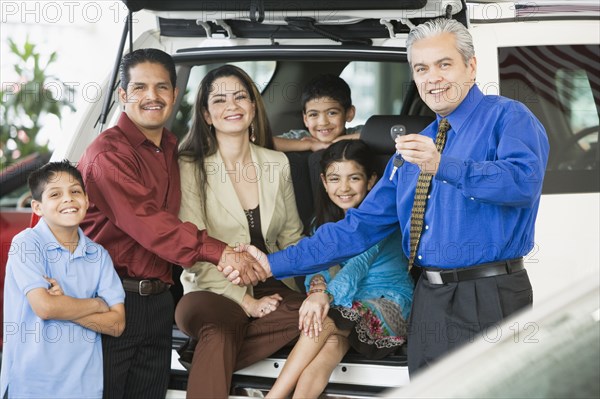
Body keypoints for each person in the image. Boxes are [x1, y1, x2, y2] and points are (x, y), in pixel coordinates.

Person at [225, 18, 550, 376]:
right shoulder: (413, 149)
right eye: (421, 68)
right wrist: (272, 264)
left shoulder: (508, 117)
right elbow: (358, 228)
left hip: (489, 293)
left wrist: (444, 166)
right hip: (429, 296)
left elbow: (522, 183)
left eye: (444, 64)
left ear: (471, 67)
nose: (433, 77)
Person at [76, 49, 265, 399]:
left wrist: (308, 143)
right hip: (110, 300)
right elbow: (151, 224)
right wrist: (222, 253)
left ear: (175, 95)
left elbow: (228, 147)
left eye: (162, 87)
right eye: (140, 88)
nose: (152, 97)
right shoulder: (108, 155)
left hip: (158, 301)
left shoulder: (169, 145)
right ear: (122, 95)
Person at [174, 64, 307, 398]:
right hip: (210, 289)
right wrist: (245, 302)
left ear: (252, 106)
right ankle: (216, 344)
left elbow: (292, 237)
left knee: (319, 315)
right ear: (206, 114)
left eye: (240, 97)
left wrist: (323, 282)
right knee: (218, 330)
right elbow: (194, 249)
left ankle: (200, 355)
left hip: (272, 284)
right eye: (219, 101)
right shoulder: (189, 166)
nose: (231, 106)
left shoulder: (276, 164)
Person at [266, 140, 414, 398]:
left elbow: (356, 265)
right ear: (324, 182)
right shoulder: (321, 223)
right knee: (330, 345)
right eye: (335, 178)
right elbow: (317, 267)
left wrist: (327, 297)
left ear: (371, 181)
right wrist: (317, 290)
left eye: (354, 178)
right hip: (347, 304)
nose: (343, 188)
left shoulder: (379, 221)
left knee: (324, 319)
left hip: (388, 303)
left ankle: (274, 396)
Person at [1, 160, 125, 399]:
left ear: (87, 201)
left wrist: (66, 304)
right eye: (55, 194)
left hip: (84, 388)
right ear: (37, 207)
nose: (68, 199)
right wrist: (97, 304)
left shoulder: (98, 255)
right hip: (30, 386)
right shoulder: (26, 244)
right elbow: (45, 308)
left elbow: (117, 325)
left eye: (75, 191)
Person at [273, 74, 361, 153]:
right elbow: (266, 142)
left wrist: (339, 141)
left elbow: (374, 135)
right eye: (314, 114)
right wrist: (310, 145)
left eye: (332, 113)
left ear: (349, 113)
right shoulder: (303, 137)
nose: (323, 122)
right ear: (305, 119)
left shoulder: (354, 133)